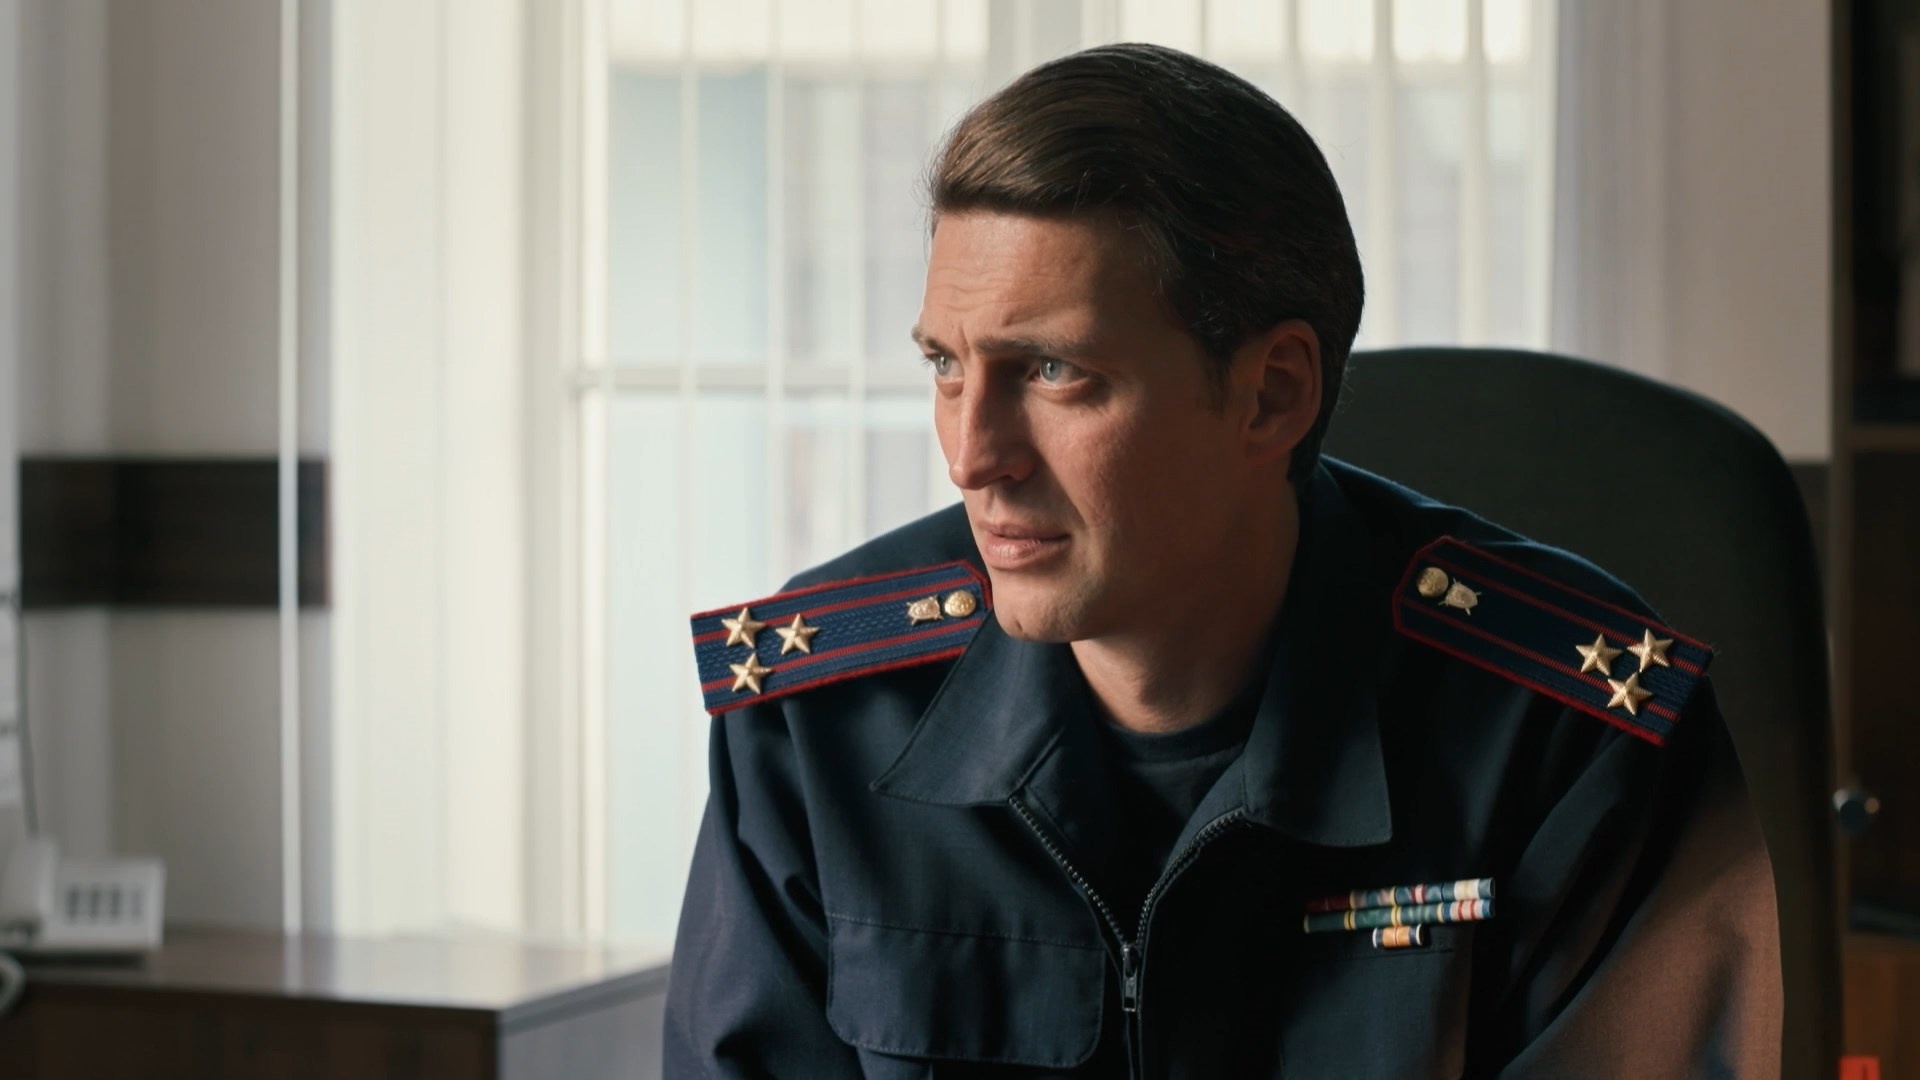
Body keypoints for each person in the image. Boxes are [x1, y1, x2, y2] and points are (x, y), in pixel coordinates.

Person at [665, 43, 1781, 1078]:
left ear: (1273, 394)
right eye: (946, 366)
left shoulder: (1568, 741)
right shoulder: (819, 724)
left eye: (1053, 371)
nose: (971, 456)